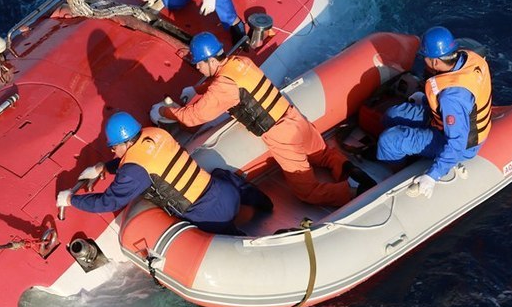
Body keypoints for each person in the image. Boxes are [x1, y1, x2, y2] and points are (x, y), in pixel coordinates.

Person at [151, 32, 369, 207]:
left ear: (210, 60)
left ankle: (352, 190)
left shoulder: (223, 87)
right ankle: (348, 168)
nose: (197, 67)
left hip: (281, 135)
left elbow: (192, 117)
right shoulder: (240, 62)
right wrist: (197, 90)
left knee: (307, 192)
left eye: (199, 63)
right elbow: (227, 83)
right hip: (293, 116)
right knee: (322, 154)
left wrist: (164, 111)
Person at [57, 111, 271, 235]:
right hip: (226, 192)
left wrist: (71, 199)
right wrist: (104, 167)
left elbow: (108, 203)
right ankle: (266, 204)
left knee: (233, 242)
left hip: (211, 215)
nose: (113, 151)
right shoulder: (155, 133)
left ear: (125, 143)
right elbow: (146, 160)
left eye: (114, 147)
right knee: (222, 175)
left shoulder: (133, 171)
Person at [376, 26, 492, 198]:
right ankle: (404, 152)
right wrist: (425, 100)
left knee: (389, 140)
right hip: (442, 121)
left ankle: (397, 173)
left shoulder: (451, 97)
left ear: (435, 62)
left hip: (457, 142)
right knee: (392, 115)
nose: (424, 60)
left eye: (425, 57)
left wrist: (433, 175)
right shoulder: (470, 58)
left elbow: (457, 142)